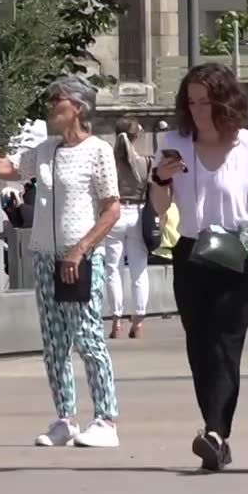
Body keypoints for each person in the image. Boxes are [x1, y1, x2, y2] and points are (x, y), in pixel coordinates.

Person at [0, 78, 124, 448]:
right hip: (46, 257)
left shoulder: (97, 151)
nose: (51, 106)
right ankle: (66, 417)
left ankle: (106, 418)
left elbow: (112, 208)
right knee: (54, 342)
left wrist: (80, 249)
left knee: (87, 337)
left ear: (78, 108)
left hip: (79, 258)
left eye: (58, 100)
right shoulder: (45, 150)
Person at [149, 62, 248, 472]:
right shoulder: (174, 142)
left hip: (236, 250)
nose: (198, 111)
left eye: (205, 102)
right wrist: (160, 179)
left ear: (225, 102)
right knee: (199, 346)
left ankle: (214, 432)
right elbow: (160, 209)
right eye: (191, 103)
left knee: (225, 343)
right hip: (191, 251)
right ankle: (216, 435)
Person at [105, 117, 151, 339]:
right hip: (139, 214)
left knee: (112, 269)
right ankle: (138, 322)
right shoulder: (145, 163)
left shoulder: (109, 164)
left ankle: (116, 321)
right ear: (137, 136)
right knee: (139, 271)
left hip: (114, 214)